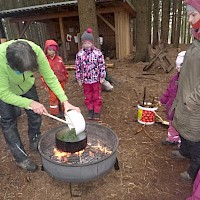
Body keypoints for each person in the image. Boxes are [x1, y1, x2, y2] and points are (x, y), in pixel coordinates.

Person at [0, 39, 80, 172]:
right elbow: (3, 93)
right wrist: (29, 103)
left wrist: (65, 101)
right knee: (8, 122)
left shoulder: (36, 52)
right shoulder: (1, 60)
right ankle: (21, 158)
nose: (24, 73)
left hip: (27, 86)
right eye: (21, 71)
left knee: (35, 114)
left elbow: (50, 77)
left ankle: (34, 138)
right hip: (6, 91)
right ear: (10, 64)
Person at [171, 0, 200, 183]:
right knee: (183, 129)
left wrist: (193, 99)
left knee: (196, 137)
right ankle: (183, 151)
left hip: (195, 102)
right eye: (189, 15)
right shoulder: (196, 39)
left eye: (193, 15)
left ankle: (194, 170)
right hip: (185, 96)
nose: (190, 20)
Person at [75, 28, 106, 120]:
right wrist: (79, 78)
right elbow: (77, 67)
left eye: (88, 43)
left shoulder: (97, 53)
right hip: (85, 80)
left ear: (92, 43)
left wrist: (102, 76)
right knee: (88, 95)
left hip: (96, 79)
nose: (87, 45)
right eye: (85, 43)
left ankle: (96, 111)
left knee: (96, 95)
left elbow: (102, 65)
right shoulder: (80, 54)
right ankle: (90, 110)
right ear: (82, 44)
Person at [160, 51, 186, 146]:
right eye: (178, 67)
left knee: (181, 126)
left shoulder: (189, 81)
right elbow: (169, 90)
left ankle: (182, 143)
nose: (179, 69)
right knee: (172, 124)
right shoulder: (175, 79)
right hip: (171, 107)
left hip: (182, 109)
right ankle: (172, 139)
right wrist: (163, 99)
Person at [41, 40, 68, 118]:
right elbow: (43, 73)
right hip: (50, 83)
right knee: (53, 97)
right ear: (46, 50)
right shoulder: (45, 61)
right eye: (50, 50)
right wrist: (44, 83)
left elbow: (63, 69)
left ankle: (63, 110)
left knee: (62, 95)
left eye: (53, 50)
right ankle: (54, 112)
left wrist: (66, 77)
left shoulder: (59, 59)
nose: (52, 52)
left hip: (60, 81)